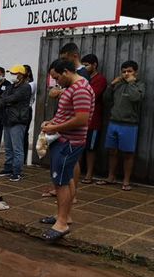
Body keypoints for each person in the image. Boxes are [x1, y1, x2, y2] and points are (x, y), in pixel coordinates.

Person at [40, 60, 94, 241]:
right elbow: (68, 113)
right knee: (66, 177)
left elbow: (82, 119)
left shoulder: (80, 89)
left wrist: (56, 127)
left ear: (65, 72)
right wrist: (52, 123)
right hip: (63, 139)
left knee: (61, 180)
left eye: (56, 78)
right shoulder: (74, 87)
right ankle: (64, 216)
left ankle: (61, 224)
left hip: (69, 142)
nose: (56, 82)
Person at [98, 60, 145, 191]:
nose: (126, 74)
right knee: (112, 152)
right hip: (114, 122)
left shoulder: (139, 84)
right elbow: (106, 99)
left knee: (128, 154)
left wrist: (131, 83)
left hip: (129, 124)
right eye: (124, 71)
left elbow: (136, 98)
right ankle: (110, 177)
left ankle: (126, 181)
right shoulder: (118, 84)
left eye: (129, 71)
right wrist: (111, 85)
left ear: (135, 72)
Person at [0, 65, 32, 182]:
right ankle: (8, 168)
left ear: (21, 75)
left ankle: (17, 172)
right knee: (8, 147)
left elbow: (13, 98)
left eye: (14, 73)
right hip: (7, 119)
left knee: (17, 148)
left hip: (18, 120)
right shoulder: (10, 87)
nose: (12, 76)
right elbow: (0, 101)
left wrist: (7, 100)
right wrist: (7, 101)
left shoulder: (25, 87)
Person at [80, 54, 108, 184]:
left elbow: (93, 95)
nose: (85, 67)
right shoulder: (82, 78)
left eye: (86, 65)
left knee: (91, 149)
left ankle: (89, 174)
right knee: (78, 147)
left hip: (94, 120)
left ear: (94, 65)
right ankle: (78, 171)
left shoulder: (100, 79)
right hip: (81, 119)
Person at [22, 64, 36, 163]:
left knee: (24, 133)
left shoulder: (31, 84)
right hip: (18, 110)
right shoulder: (20, 84)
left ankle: (23, 158)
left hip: (26, 109)